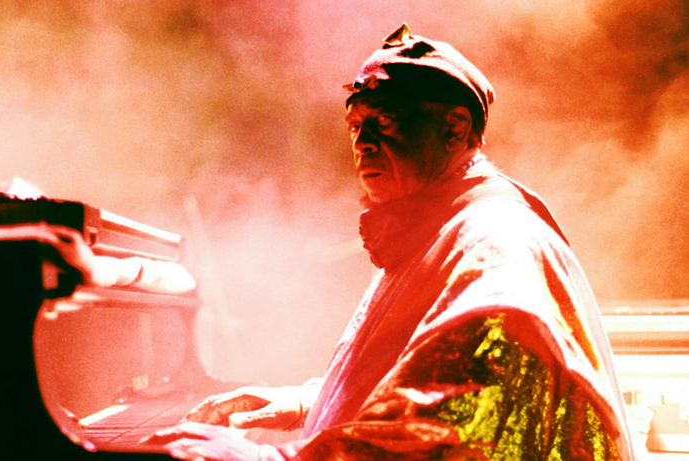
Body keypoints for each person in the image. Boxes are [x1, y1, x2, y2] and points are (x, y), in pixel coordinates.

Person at [142, 23, 636, 461]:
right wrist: (308, 402)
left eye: (386, 120)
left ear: (454, 128)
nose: (363, 142)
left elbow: (445, 432)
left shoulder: (497, 245)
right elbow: (424, 373)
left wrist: (260, 458)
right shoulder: (442, 228)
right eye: (356, 125)